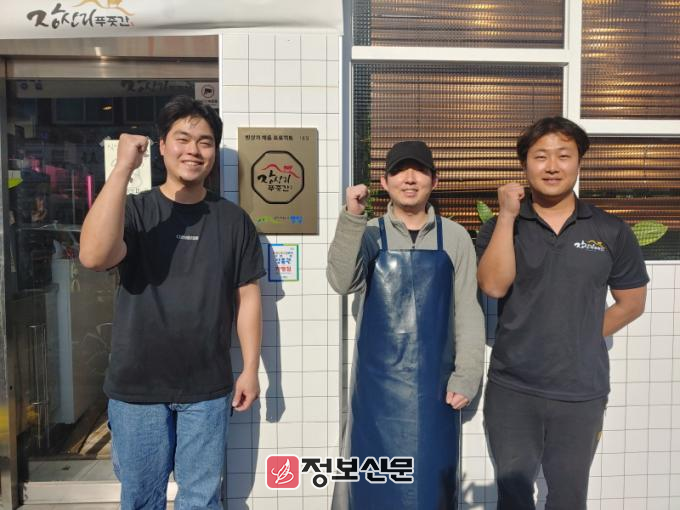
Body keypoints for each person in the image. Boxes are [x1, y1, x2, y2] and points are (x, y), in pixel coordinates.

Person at [80, 96, 265, 510]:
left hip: (207, 387)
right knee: (142, 499)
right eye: (182, 139)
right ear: (161, 146)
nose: (193, 150)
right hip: (137, 387)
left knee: (200, 499)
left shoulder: (233, 220)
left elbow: (248, 296)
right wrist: (123, 168)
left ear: (213, 153)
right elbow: (93, 256)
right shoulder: (136, 211)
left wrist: (251, 369)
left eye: (205, 142)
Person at [477, 116, 648, 510]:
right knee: (513, 496)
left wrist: (581, 335)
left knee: (569, 498)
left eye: (563, 156)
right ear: (524, 165)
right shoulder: (503, 227)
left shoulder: (610, 230)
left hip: (581, 391)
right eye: (541, 156)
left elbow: (632, 303)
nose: (552, 167)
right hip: (513, 388)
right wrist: (506, 216)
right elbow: (493, 286)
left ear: (579, 162)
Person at [327, 140, 485, 509]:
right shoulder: (368, 232)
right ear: (385, 182)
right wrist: (352, 216)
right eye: (399, 171)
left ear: (434, 180)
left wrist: (467, 375)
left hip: (435, 388)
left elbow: (467, 309)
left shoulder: (455, 236)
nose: (409, 179)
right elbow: (341, 281)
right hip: (376, 392)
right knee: (373, 489)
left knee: (431, 489)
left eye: (419, 171)